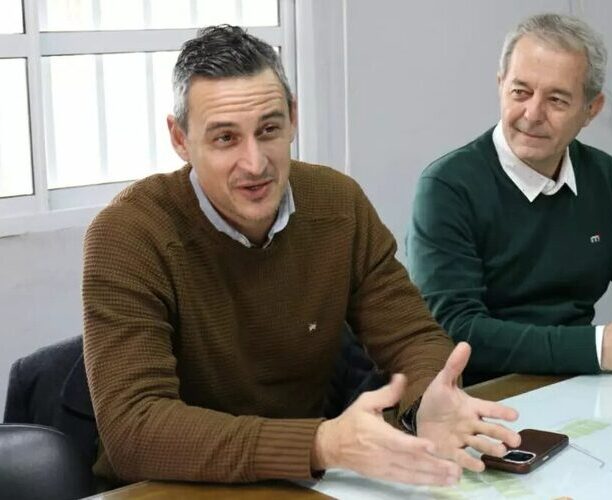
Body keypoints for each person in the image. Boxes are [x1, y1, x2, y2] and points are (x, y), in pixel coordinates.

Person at [82, 25, 520, 487]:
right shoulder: (128, 234)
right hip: (163, 488)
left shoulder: (337, 203)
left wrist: (426, 398)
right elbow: (134, 429)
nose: (255, 163)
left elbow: (411, 335)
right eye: (225, 139)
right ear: (179, 138)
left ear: (293, 118)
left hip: (294, 481)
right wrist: (320, 443)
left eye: (269, 129)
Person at [406, 13, 612, 385]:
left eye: (557, 100)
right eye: (520, 92)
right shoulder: (448, 187)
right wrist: (600, 348)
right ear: (500, 86)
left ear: (590, 110)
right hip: (485, 395)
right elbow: (457, 330)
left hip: (578, 384)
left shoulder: (606, 177)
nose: (532, 114)